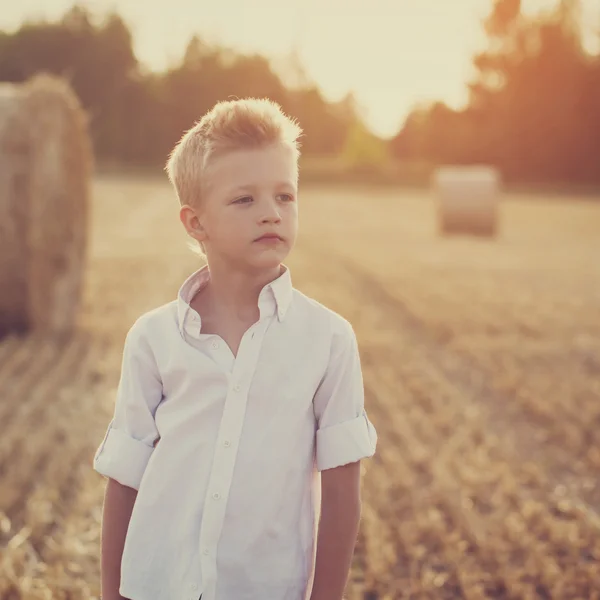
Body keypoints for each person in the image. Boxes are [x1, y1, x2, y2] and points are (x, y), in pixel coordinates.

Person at [93, 97, 378, 600]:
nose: (270, 213)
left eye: (284, 197)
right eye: (244, 200)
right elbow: (124, 478)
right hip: (157, 586)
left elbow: (341, 494)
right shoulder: (152, 339)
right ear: (195, 223)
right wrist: (112, 594)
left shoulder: (329, 340)